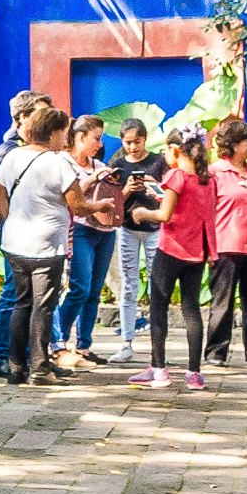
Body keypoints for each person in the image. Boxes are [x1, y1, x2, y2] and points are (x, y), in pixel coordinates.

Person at [0, 102, 86, 381]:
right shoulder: (59, 162)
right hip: (46, 246)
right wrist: (100, 205)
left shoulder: (13, 157)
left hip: (15, 244)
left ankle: (16, 367)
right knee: (43, 306)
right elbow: (77, 204)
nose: (66, 138)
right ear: (53, 133)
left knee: (22, 303)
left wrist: (13, 218)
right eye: (64, 132)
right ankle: (40, 369)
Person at [137, 132, 216, 391]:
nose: (164, 155)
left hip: (171, 250)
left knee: (159, 306)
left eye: (166, 150)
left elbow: (164, 214)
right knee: (191, 308)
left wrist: (141, 213)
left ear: (176, 150)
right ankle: (194, 373)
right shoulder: (208, 180)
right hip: (197, 252)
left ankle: (158, 369)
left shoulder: (176, 176)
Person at [205, 114, 247, 374]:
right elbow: (207, 212)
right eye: (246, 141)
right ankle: (215, 351)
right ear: (232, 145)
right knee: (222, 302)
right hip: (225, 247)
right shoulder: (215, 174)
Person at [58, 121, 127, 364]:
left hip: (105, 231)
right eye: (96, 138)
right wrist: (92, 178)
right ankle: (59, 343)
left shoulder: (98, 164)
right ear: (80, 137)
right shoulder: (63, 162)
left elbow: (110, 197)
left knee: (95, 291)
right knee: (80, 288)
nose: (100, 145)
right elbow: (71, 195)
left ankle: (84, 345)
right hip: (80, 230)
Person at [111, 107, 162, 348]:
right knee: (129, 284)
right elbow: (112, 201)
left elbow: (169, 196)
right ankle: (126, 341)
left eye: (137, 142)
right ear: (122, 141)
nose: (133, 147)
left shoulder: (158, 162)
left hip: (155, 229)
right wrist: (126, 190)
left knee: (156, 284)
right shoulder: (118, 166)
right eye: (128, 142)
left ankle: (156, 341)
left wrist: (154, 185)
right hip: (128, 229)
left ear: (145, 139)